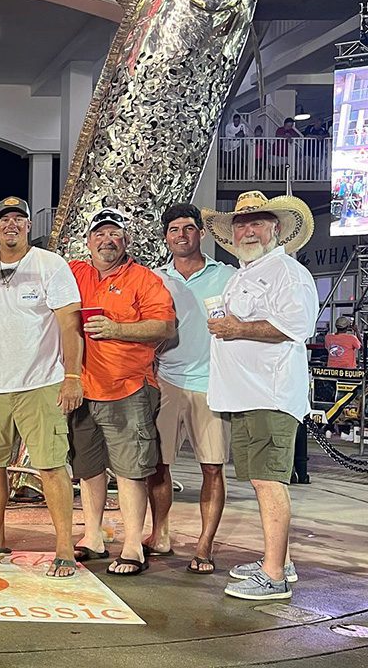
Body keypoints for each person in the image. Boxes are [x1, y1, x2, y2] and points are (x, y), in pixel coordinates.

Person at [0, 196, 84, 578]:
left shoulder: (49, 264)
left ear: (27, 226)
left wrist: (72, 376)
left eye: (19, 218)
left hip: (40, 383)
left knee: (51, 465)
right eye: (4, 219)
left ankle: (64, 548)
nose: (12, 224)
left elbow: (70, 326)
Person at [202, 191, 318, 601]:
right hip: (245, 395)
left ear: (276, 229)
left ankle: (273, 578)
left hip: (269, 394)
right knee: (260, 480)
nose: (247, 230)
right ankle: (278, 559)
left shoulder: (287, 272)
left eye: (257, 222)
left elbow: (296, 326)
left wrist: (237, 329)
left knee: (270, 481)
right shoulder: (242, 274)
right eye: (240, 224)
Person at [68, 207, 175, 577]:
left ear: (125, 241)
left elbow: (164, 326)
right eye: (99, 234)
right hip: (83, 390)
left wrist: (117, 330)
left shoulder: (144, 280)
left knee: (131, 471)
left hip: (128, 388)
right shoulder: (76, 272)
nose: (107, 240)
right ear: (88, 242)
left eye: (114, 234)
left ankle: (132, 545)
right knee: (89, 467)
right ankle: (94, 536)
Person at [146, 203, 237, 574]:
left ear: (201, 232)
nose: (181, 235)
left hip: (212, 384)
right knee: (157, 466)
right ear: (166, 237)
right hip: (166, 381)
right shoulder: (155, 278)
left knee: (212, 468)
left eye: (188, 228)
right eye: (173, 230)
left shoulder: (227, 275)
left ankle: (204, 545)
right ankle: (160, 533)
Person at [223, 113, 248, 178]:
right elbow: (227, 136)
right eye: (235, 121)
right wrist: (236, 135)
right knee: (228, 162)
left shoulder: (242, 126)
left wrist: (239, 135)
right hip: (228, 146)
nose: (237, 122)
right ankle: (228, 176)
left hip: (237, 146)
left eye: (238, 121)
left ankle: (236, 176)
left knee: (236, 162)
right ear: (233, 121)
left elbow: (243, 135)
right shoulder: (228, 126)